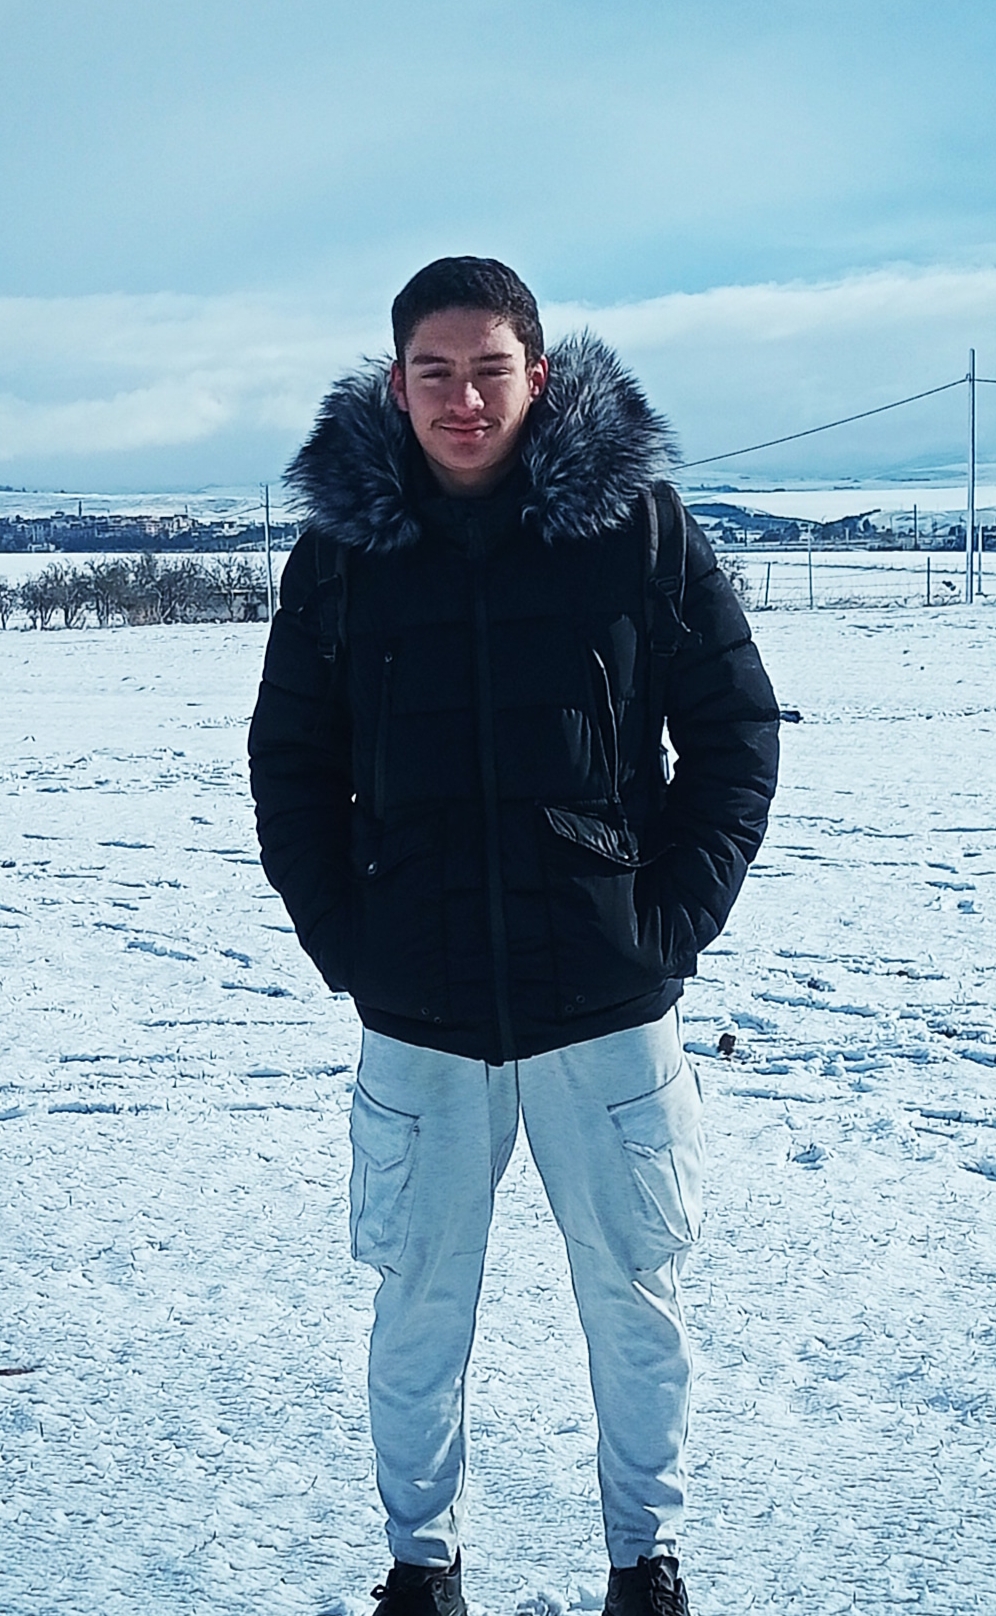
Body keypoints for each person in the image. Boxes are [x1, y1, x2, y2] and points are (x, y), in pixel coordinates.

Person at [248, 257, 779, 1616]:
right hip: (418, 1015)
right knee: (416, 1305)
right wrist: (351, 943)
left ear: (538, 376)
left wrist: (664, 926)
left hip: (607, 1007)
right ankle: (420, 1567)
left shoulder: (635, 530)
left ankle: (644, 1561)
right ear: (396, 385)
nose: (464, 399)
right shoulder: (344, 556)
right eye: (435, 372)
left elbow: (733, 735)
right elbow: (291, 765)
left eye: (490, 370)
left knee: (637, 1295)